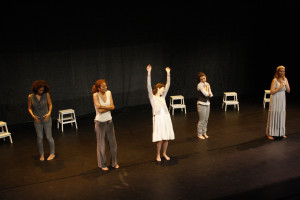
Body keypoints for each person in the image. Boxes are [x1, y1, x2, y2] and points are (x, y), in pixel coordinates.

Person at [146, 64, 175, 162]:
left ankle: (164, 153)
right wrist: (149, 73)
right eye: (162, 89)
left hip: (166, 118)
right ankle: (158, 154)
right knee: (160, 139)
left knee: (166, 138)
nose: (164, 91)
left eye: (164, 90)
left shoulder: (162, 97)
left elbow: (168, 85)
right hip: (158, 118)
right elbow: (149, 86)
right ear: (158, 88)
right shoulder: (152, 97)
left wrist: (168, 73)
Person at [92, 79, 119, 171]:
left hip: (109, 121)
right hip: (100, 123)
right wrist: (108, 107)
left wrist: (102, 106)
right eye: (103, 86)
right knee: (101, 144)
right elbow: (99, 111)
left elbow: (113, 106)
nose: (106, 87)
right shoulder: (95, 95)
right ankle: (102, 164)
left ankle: (114, 162)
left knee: (113, 144)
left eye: (106, 85)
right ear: (99, 88)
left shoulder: (109, 93)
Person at [28, 80, 55, 161]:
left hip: (46, 119)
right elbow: (29, 108)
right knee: (39, 137)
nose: (41, 91)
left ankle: (52, 153)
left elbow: (50, 105)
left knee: (49, 137)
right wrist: (33, 116)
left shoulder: (46, 95)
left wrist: (49, 113)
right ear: (36, 89)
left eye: (42, 90)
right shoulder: (30, 97)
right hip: (37, 120)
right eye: (40, 90)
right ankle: (42, 154)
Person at [266, 65, 290, 140]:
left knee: (281, 114)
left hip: (282, 99)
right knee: (274, 114)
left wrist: (285, 85)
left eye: (283, 71)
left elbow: (288, 91)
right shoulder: (275, 80)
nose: (282, 72)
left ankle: (281, 133)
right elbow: (271, 92)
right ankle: (270, 133)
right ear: (278, 72)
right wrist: (279, 88)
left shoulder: (285, 79)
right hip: (275, 98)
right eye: (281, 71)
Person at [197, 72, 213, 140]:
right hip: (201, 104)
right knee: (202, 120)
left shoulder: (207, 84)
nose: (203, 80)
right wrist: (207, 88)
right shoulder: (200, 85)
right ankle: (199, 134)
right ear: (200, 80)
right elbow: (206, 94)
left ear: (206, 77)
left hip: (207, 103)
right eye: (201, 79)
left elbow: (211, 94)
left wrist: (208, 89)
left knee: (206, 120)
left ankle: (204, 132)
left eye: (204, 78)